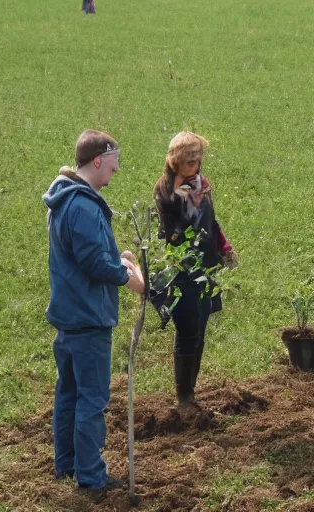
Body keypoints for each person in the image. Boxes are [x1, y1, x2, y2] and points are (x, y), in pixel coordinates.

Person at [44, 129, 145, 500]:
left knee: (68, 393)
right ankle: (90, 476)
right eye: (114, 166)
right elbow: (91, 261)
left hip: (69, 315)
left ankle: (67, 463)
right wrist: (125, 275)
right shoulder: (83, 205)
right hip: (88, 319)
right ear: (98, 160)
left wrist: (117, 258)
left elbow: (84, 255)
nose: (115, 173)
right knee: (92, 398)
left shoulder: (65, 199)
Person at [153, 131, 237, 412]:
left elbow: (212, 221)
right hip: (181, 269)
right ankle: (183, 396)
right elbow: (169, 233)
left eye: (198, 160)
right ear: (175, 160)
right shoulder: (165, 191)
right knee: (187, 330)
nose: (195, 165)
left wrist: (224, 247)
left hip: (205, 266)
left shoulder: (203, 185)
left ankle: (191, 393)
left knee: (200, 329)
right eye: (190, 160)